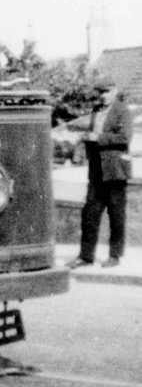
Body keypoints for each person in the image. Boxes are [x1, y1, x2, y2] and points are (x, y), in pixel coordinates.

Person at [69, 77, 134, 269]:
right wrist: (83, 145)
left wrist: (97, 137)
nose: (103, 96)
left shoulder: (122, 111)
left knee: (116, 215)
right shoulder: (96, 111)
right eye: (100, 92)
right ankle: (86, 257)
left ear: (115, 90)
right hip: (96, 171)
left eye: (106, 92)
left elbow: (124, 138)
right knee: (89, 214)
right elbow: (91, 136)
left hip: (115, 170)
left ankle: (115, 256)